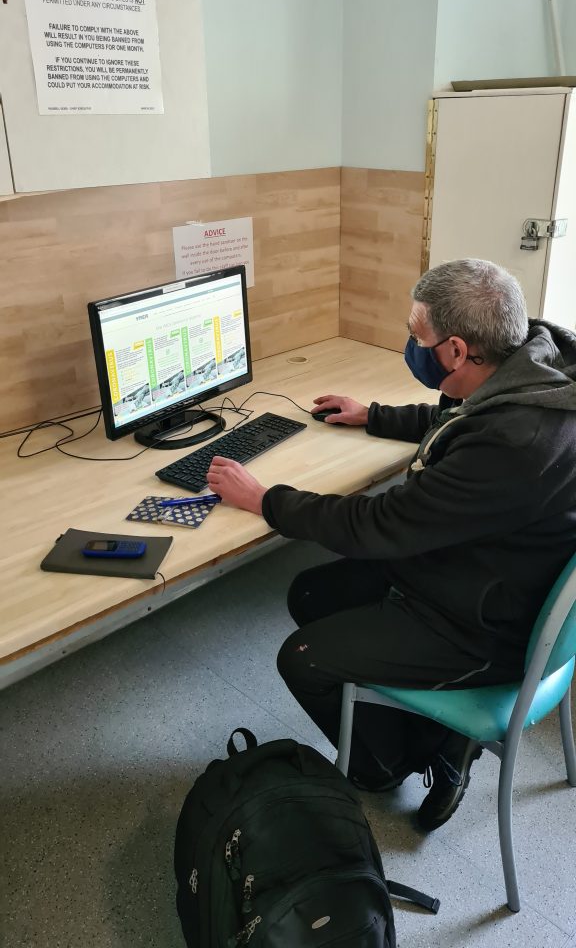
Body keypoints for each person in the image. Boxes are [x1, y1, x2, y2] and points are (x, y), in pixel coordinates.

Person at [206, 258, 576, 830]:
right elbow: (459, 418)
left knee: (302, 658)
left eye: (416, 332)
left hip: (484, 625)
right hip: (490, 571)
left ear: (455, 350)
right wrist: (373, 415)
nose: (409, 342)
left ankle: (392, 766)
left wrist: (265, 500)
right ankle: (434, 735)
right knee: (310, 593)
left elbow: (377, 525)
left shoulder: (517, 443)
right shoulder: (530, 368)